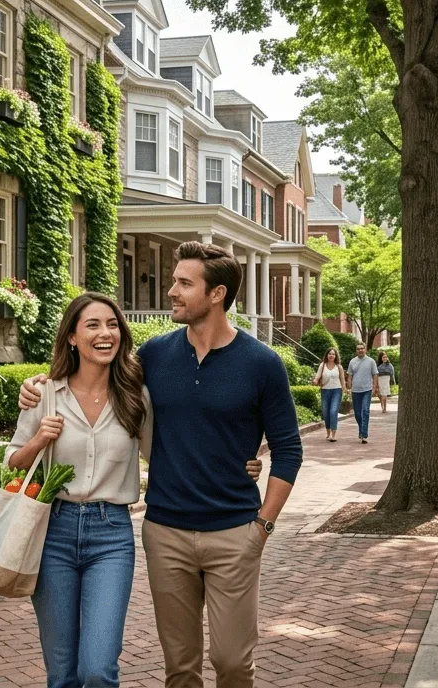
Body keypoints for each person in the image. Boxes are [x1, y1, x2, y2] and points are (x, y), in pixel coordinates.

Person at [19, 242, 297, 688]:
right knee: (180, 668)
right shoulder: (151, 358)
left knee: (232, 662)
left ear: (216, 294)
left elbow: (288, 449)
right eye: (174, 281)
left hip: (234, 531)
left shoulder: (262, 363)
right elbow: (91, 375)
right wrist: (35, 386)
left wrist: (262, 525)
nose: (171, 291)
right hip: (165, 531)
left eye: (184, 284)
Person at [347, 342, 379, 443]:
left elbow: (375, 374)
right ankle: (362, 429)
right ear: (356, 351)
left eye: (362, 348)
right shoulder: (352, 362)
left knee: (365, 411)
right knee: (357, 414)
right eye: (358, 349)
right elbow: (350, 375)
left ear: (365, 349)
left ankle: (363, 434)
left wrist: (374, 387)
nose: (360, 350)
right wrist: (349, 386)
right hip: (355, 390)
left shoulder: (371, 361)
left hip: (367, 390)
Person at [313, 347, 345, 442]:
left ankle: (333, 434)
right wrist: (315, 381)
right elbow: (317, 377)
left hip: (337, 390)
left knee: (333, 411)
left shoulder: (339, 367)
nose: (331, 355)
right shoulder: (322, 365)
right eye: (330, 354)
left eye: (333, 354)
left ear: (336, 356)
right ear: (327, 355)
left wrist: (345, 390)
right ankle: (328, 431)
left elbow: (342, 380)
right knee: (326, 412)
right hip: (325, 390)